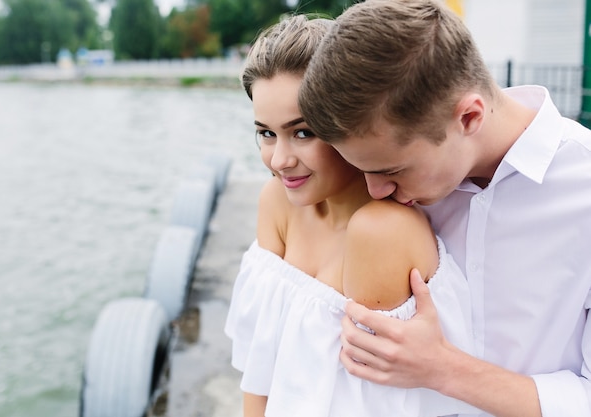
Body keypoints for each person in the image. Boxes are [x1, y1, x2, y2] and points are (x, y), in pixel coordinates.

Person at [297, 1, 591, 417]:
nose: (376, 191)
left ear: (469, 117)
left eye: (392, 170)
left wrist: (442, 369)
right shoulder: (409, 184)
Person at [225, 14, 481, 417]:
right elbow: (258, 369)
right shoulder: (277, 202)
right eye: (266, 133)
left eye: (303, 132)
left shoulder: (381, 232)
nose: (279, 159)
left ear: (348, 125)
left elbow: (371, 403)